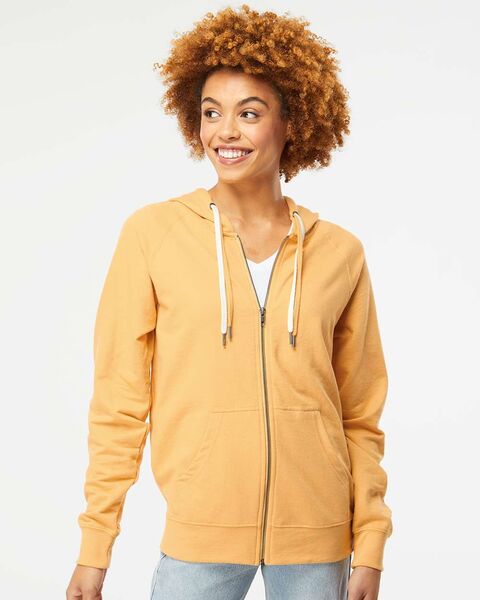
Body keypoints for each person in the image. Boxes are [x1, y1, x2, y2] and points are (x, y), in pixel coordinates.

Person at [66, 5, 392, 600]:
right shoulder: (153, 235)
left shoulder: (339, 252)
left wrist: (369, 544)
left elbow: (359, 413)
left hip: (318, 542)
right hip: (200, 536)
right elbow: (119, 403)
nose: (226, 132)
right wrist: (95, 548)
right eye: (212, 113)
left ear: (291, 123)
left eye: (250, 113)